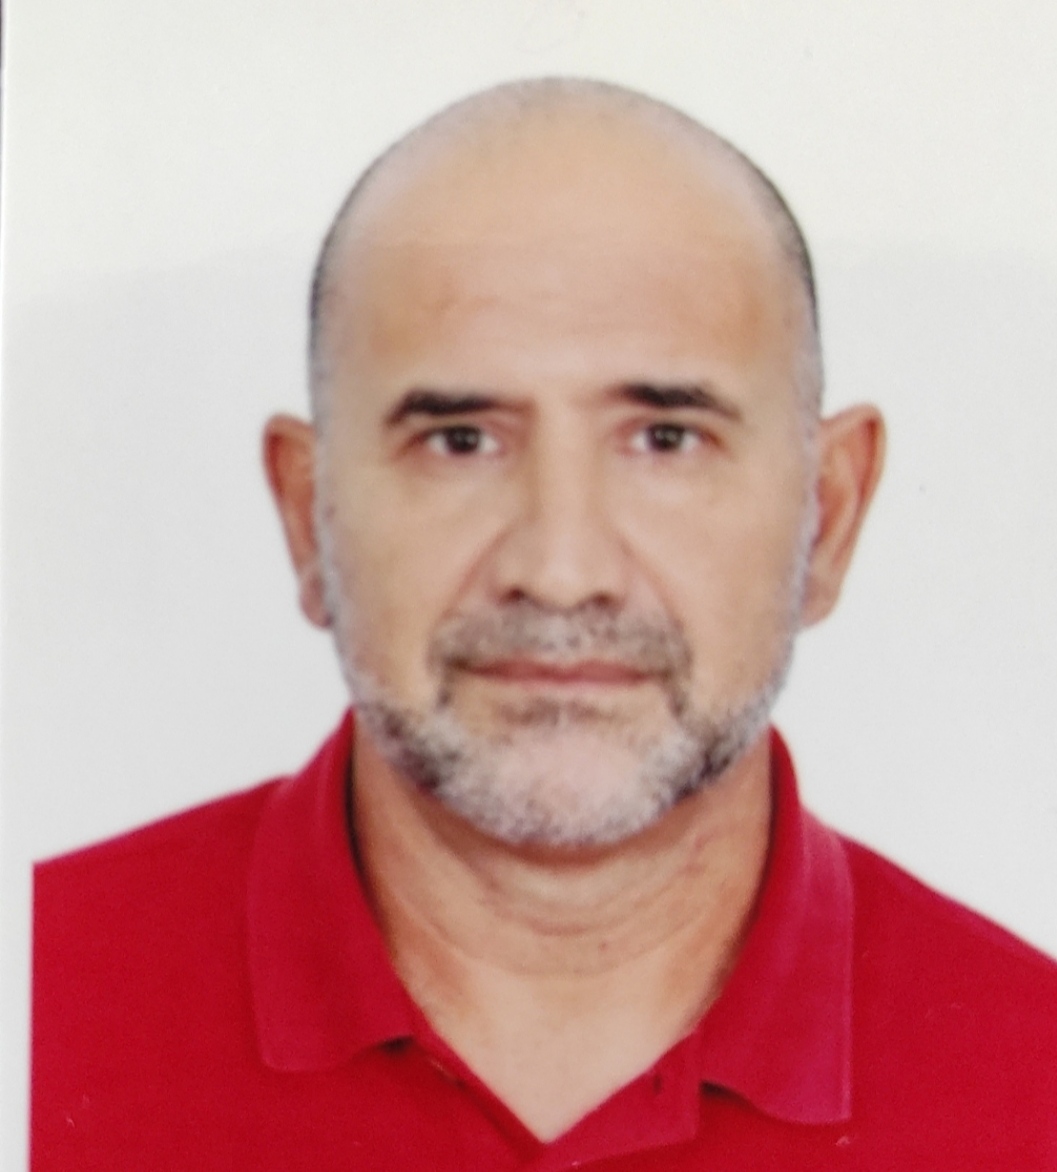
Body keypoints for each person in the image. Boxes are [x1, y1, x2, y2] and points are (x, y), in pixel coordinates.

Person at [32, 78, 1057, 1170]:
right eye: (460, 440)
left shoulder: (1031, 1083)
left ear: (827, 516)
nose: (561, 574)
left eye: (665, 438)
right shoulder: (40, 998)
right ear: (305, 514)